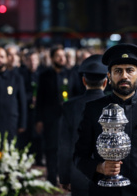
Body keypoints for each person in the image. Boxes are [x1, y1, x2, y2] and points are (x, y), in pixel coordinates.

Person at [74, 43, 137, 196]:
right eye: (118, 71)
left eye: (130, 71)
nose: (124, 76)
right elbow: (79, 157)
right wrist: (100, 167)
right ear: (109, 76)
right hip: (105, 192)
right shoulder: (93, 109)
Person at [58, 54, 108, 195]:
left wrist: (64, 177)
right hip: (106, 174)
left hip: (79, 174)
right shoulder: (115, 106)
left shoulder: (70, 106)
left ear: (83, 81)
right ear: (105, 82)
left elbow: (64, 146)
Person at [35, 45, 81, 185]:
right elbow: (40, 99)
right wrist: (39, 120)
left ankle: (67, 178)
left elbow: (78, 95)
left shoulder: (71, 74)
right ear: (52, 58)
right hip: (50, 118)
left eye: (63, 56)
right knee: (51, 148)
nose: (62, 58)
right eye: (58, 56)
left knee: (68, 149)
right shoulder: (44, 76)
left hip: (68, 119)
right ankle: (51, 177)